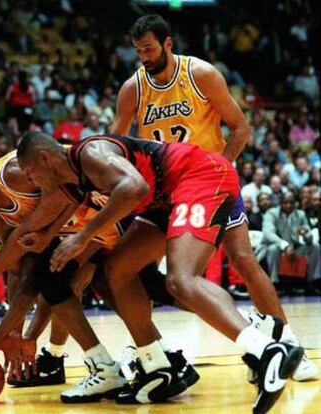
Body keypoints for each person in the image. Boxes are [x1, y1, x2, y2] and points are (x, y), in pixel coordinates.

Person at [16, 131, 303, 411]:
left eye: (29, 173)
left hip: (200, 176)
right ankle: (156, 365)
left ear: (44, 158)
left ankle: (268, 350)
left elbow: (134, 188)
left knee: (181, 279)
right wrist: (45, 237)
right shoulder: (69, 178)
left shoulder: (91, 153)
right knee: (113, 271)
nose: (30, 181)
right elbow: (66, 207)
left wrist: (81, 238)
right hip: (166, 198)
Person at [110, 14, 317, 381]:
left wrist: (218, 169)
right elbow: (115, 143)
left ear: (168, 44)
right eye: (138, 50)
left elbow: (241, 128)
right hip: (165, 192)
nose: (144, 56)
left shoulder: (201, 74)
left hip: (209, 183)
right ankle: (148, 352)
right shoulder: (133, 88)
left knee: (243, 260)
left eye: (150, 48)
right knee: (134, 269)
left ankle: (289, 346)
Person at [0, 155, 129, 402]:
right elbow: (19, 273)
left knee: (71, 281)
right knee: (59, 280)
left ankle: (141, 357)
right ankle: (71, 361)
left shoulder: (13, 174)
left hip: (109, 206)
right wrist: (13, 334)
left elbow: (71, 187)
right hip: (87, 228)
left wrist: (11, 335)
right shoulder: (1, 221)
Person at [262, 192, 321, 293]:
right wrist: (284, 245)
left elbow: (309, 238)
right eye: (285, 203)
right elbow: (268, 233)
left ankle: (312, 282)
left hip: (295, 247)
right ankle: (275, 284)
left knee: (315, 247)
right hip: (278, 247)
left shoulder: (300, 214)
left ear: (295, 204)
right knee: (272, 249)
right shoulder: (271, 213)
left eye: (291, 203)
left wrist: (305, 234)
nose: (288, 205)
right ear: (280, 203)